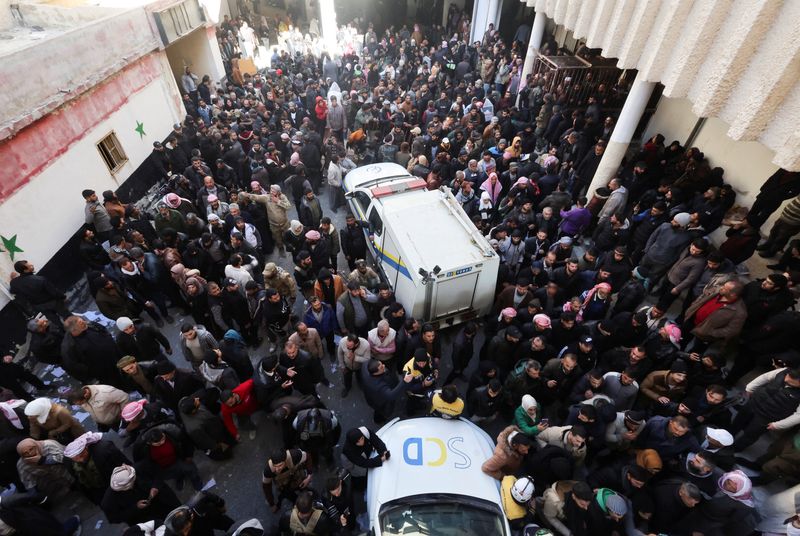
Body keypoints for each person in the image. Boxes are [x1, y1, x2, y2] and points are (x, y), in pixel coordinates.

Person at [100, 464, 181, 526]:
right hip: (144, 519)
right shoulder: (108, 501)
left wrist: (155, 487)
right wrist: (135, 508)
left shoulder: (139, 468)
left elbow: (157, 474)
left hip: (161, 505)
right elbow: (114, 518)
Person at [262, 447, 313, 512]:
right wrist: (272, 504)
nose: (277, 469)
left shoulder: (295, 455)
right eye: (275, 466)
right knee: (287, 492)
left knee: (302, 480)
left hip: (295, 474)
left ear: (285, 460)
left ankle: (303, 490)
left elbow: (308, 456)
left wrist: (309, 476)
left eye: (280, 465)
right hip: (283, 484)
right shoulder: (268, 471)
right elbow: (266, 488)